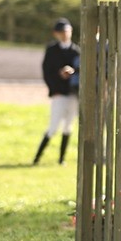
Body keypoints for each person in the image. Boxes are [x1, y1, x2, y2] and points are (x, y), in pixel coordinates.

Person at [34, 17, 80, 165]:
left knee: (68, 126)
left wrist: (72, 72)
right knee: (53, 127)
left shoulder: (77, 51)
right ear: (56, 34)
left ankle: (61, 159)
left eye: (66, 31)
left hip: (73, 93)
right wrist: (54, 89)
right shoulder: (52, 50)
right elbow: (47, 71)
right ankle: (37, 158)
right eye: (61, 32)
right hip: (59, 92)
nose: (64, 34)